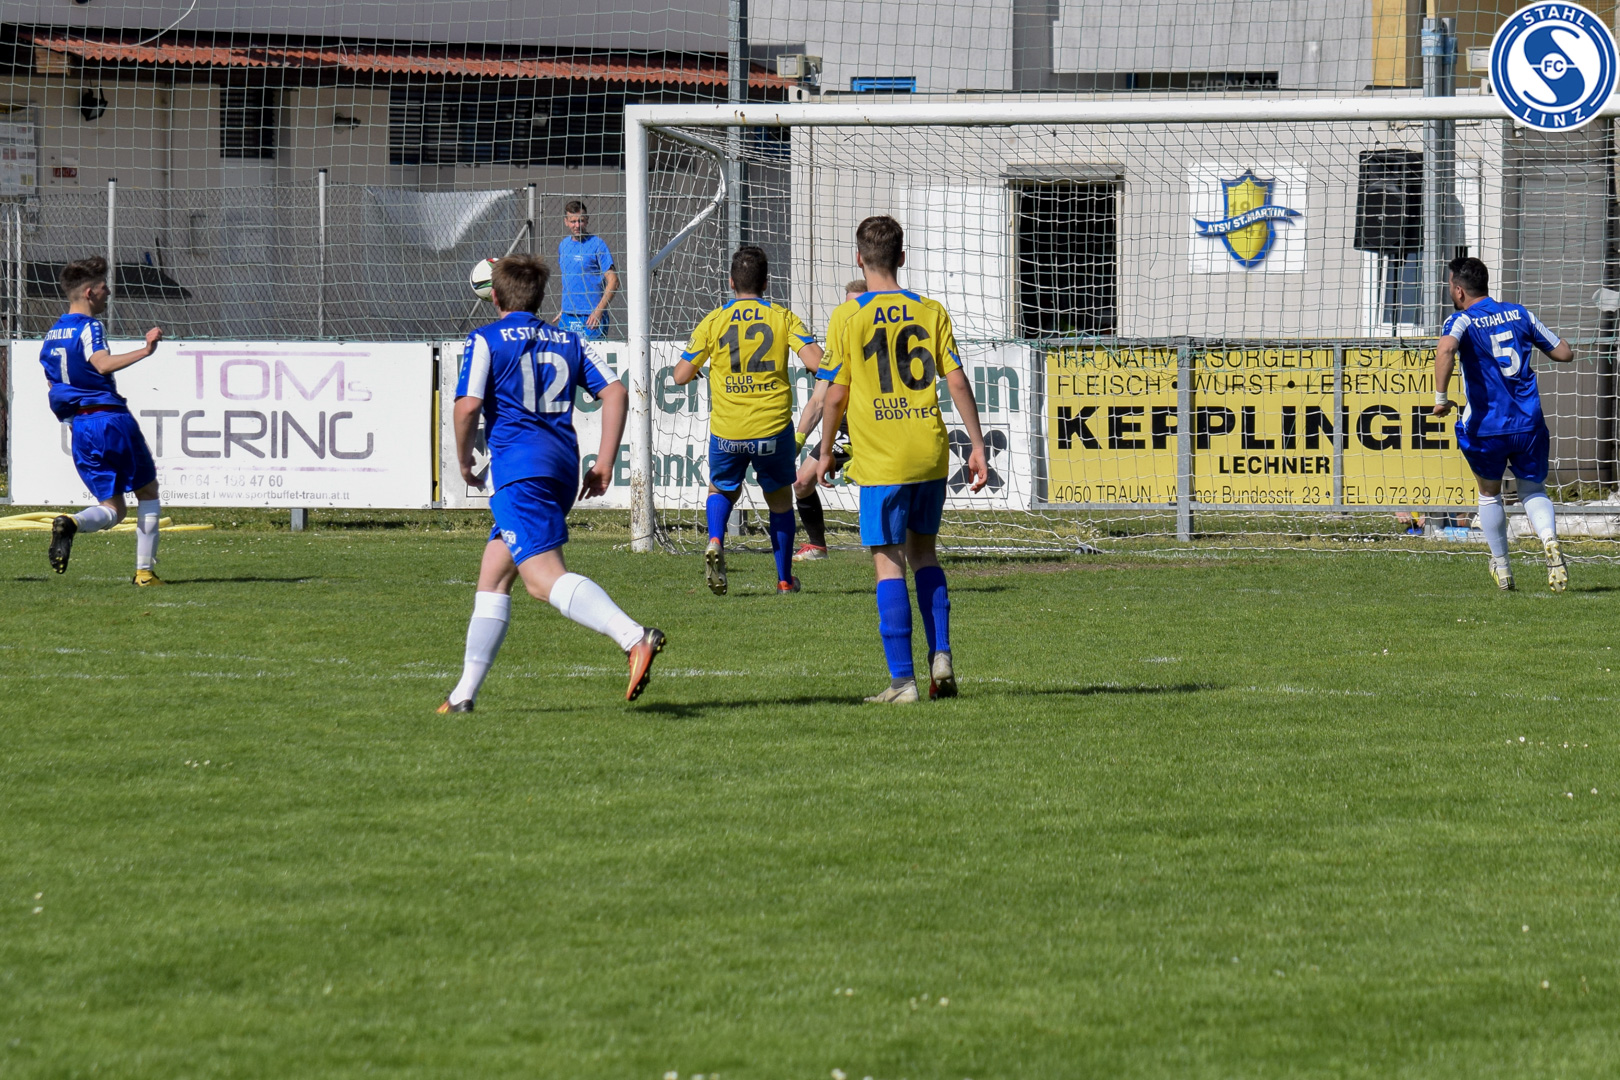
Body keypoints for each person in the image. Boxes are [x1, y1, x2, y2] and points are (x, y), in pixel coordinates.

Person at [441, 254, 664, 712]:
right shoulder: (569, 339)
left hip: (520, 472)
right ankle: (463, 695)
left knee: (542, 581)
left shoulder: (485, 339)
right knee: (493, 576)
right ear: (541, 297)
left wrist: (463, 461)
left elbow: (467, 407)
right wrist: (604, 462)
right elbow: (616, 392)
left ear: (494, 297)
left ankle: (633, 636)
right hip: (561, 467)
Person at [816, 216, 988, 703]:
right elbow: (957, 381)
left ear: (859, 259)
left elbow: (835, 394)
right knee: (924, 555)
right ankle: (942, 655)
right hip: (929, 453)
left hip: (882, 459)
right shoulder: (930, 311)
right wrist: (976, 446)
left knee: (889, 564)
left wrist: (825, 451)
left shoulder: (848, 316)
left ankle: (902, 683)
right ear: (902, 257)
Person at [673, 245, 823, 595]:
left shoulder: (714, 320)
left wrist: (698, 369)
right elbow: (817, 362)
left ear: (731, 282)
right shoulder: (782, 317)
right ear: (766, 282)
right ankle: (784, 580)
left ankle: (715, 539)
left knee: (721, 488)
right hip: (772, 428)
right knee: (780, 501)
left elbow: (680, 375)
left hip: (729, 430)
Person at [1433, 256, 1575, 592]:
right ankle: (1549, 539)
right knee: (1533, 490)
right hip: (1528, 423)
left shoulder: (1461, 320)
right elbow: (1564, 353)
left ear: (1458, 290)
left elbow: (1446, 350)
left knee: (1489, 493)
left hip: (1487, 427)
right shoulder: (1520, 313)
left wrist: (1440, 399)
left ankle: (1503, 568)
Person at [41, 256, 167, 585]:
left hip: (81, 427)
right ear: (89, 292)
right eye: (103, 287)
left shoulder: (52, 334)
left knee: (113, 508)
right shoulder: (90, 327)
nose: (108, 292)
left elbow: (54, 387)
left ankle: (72, 522)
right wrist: (146, 350)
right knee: (148, 491)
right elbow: (101, 364)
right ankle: (144, 573)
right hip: (109, 419)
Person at [790, 278, 865, 561]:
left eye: (857, 305)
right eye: (847, 307)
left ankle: (900, 546)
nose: (850, 313)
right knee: (801, 482)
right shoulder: (838, 348)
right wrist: (797, 443)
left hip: (879, 422)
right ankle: (817, 546)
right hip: (847, 426)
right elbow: (819, 401)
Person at [555, 200, 618, 340]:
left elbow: (614, 281)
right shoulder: (563, 246)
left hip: (591, 317)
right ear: (566, 222)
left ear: (587, 220)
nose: (577, 225)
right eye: (573, 221)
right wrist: (565, 308)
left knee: (590, 354)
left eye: (581, 221)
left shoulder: (597, 244)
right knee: (566, 353)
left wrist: (598, 311)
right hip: (568, 316)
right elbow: (570, 279)